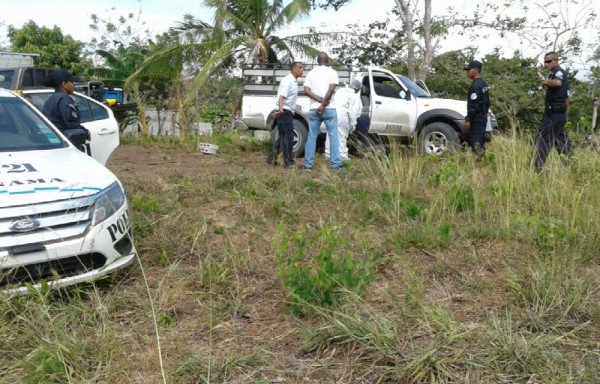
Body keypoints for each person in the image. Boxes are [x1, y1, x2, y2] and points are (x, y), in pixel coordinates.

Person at [533, 51, 573, 173]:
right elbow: (563, 95)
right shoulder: (552, 74)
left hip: (555, 113)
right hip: (557, 114)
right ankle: (570, 164)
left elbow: (557, 83)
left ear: (556, 60)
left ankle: (537, 169)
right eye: (545, 62)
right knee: (561, 140)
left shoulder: (558, 72)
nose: (546, 64)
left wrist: (545, 81)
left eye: (549, 61)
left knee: (544, 140)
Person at [303, 52, 341, 171]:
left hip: (314, 109)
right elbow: (331, 89)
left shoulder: (311, 73)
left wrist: (319, 102)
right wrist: (323, 104)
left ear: (318, 61)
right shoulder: (332, 72)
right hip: (329, 108)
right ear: (328, 60)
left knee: (312, 137)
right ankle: (336, 165)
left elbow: (306, 90)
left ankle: (308, 166)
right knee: (333, 136)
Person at [266, 62, 304, 168]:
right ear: (294, 69)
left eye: (302, 68)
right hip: (285, 111)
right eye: (300, 68)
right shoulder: (288, 80)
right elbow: (281, 96)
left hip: (286, 111)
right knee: (288, 136)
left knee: (282, 136)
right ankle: (289, 162)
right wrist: (281, 110)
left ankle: (272, 158)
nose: (302, 70)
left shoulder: (293, 81)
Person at [42, 69, 90, 149]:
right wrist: (85, 132)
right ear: (64, 84)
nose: (73, 85)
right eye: (71, 82)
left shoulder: (51, 99)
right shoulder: (65, 99)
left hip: (54, 142)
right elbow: (71, 124)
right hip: (65, 143)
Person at [325, 79, 362, 161]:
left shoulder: (340, 91)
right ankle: (342, 155)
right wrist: (353, 124)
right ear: (357, 89)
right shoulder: (354, 96)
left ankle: (328, 154)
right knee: (342, 135)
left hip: (331, 113)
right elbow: (353, 112)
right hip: (342, 116)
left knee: (330, 134)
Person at [463, 60, 490, 161]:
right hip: (483, 117)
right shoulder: (484, 84)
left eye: (469, 70)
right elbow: (486, 103)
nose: (467, 72)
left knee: (476, 142)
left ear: (475, 70)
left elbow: (474, 105)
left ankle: (479, 164)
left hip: (476, 119)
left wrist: (468, 120)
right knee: (480, 141)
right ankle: (481, 162)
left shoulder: (475, 85)